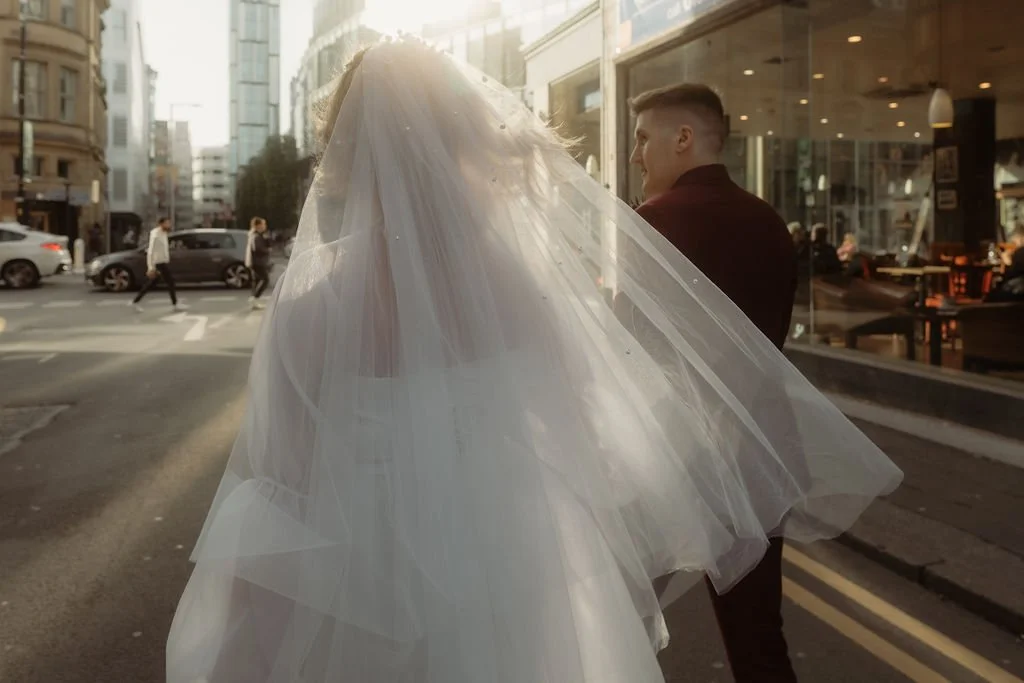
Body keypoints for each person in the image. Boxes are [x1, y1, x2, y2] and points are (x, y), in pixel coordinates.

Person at [166, 39, 901, 683]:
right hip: (517, 592)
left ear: (346, 158)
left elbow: (278, 492)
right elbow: (589, 443)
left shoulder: (310, 315)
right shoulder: (522, 291)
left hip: (360, 604)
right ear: (461, 150)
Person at [626, 83, 796, 682]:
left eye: (644, 138)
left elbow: (627, 348)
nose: (636, 155)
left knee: (620, 616)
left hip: (669, 459)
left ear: (684, 138)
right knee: (756, 635)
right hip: (758, 453)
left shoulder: (654, 222)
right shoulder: (771, 224)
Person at [132, 217, 185, 312]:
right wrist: (150, 267)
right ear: (161, 224)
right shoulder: (156, 235)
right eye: (167, 223)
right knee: (171, 282)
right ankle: (175, 304)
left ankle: (135, 301)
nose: (169, 225)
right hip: (158, 263)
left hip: (162, 262)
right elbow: (150, 251)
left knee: (151, 284)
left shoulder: (164, 233)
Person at [245, 216, 272, 310]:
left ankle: (254, 301)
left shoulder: (256, 235)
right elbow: (257, 249)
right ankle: (254, 298)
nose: (265, 226)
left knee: (256, 281)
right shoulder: (256, 236)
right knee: (265, 280)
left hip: (255, 262)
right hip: (257, 262)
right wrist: (267, 250)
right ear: (258, 225)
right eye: (263, 224)